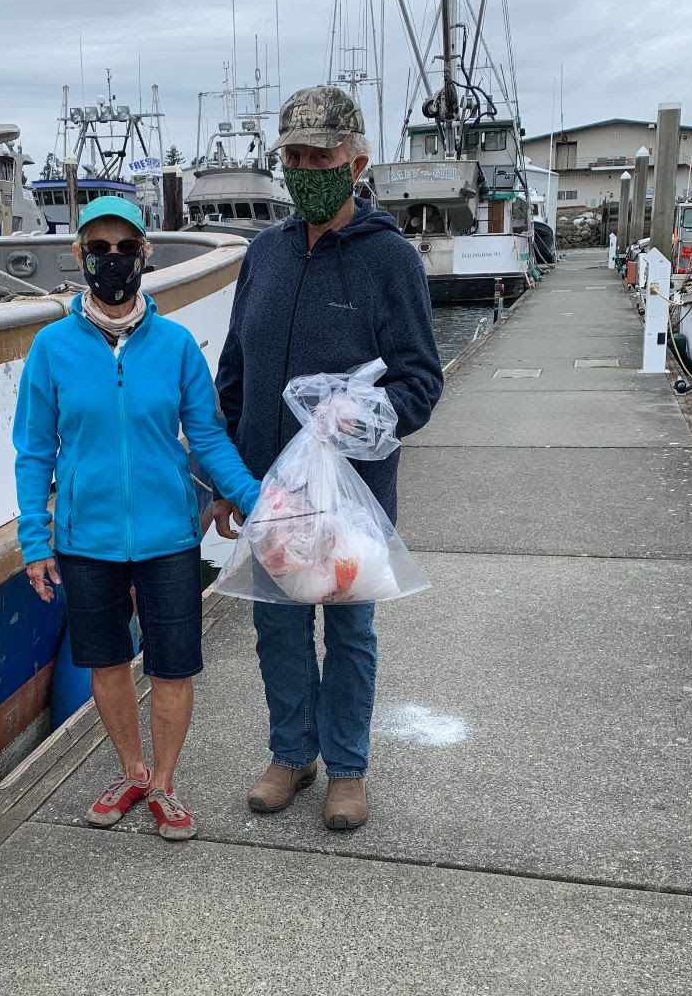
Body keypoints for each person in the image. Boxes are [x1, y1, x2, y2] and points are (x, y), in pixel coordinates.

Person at [213, 85, 443, 831]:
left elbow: (419, 381)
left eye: (323, 155)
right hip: (268, 495)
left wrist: (367, 415)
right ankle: (292, 754)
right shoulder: (263, 256)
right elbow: (235, 374)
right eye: (296, 156)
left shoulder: (391, 261)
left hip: (352, 499)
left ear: (357, 161)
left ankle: (347, 767)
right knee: (275, 628)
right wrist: (220, 483)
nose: (308, 167)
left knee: (348, 631)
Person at [13, 195, 260, 842]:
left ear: (145, 255)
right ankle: (131, 770)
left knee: (173, 665)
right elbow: (34, 450)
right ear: (79, 256)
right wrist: (35, 539)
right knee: (107, 661)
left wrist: (258, 500)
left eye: (126, 249)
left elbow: (205, 438)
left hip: (168, 535)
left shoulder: (176, 346)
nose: (113, 261)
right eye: (100, 250)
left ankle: (167, 786)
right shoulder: (51, 349)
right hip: (85, 537)